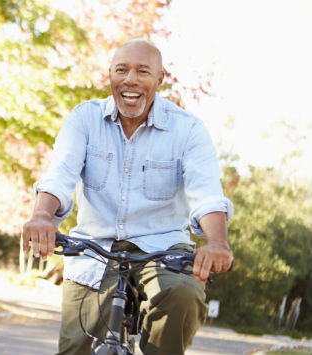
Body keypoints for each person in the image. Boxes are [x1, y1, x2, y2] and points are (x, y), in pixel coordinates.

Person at [21, 39, 234, 355]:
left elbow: (206, 194)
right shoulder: (84, 119)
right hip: (95, 247)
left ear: (159, 79)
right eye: (122, 70)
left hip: (163, 248)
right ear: (110, 75)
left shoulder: (187, 129)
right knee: (75, 349)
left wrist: (217, 241)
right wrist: (41, 215)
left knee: (183, 293)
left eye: (143, 72)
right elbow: (60, 174)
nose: (131, 80)